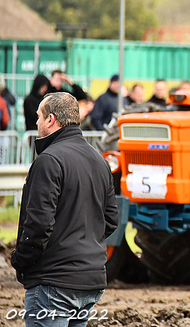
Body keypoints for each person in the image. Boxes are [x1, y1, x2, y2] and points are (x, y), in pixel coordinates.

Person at [11, 92, 118, 327]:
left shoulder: (49, 160)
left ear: (50, 120)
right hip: (90, 280)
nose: (36, 122)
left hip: (53, 282)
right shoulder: (99, 161)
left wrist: (20, 261)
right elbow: (110, 220)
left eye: (39, 117)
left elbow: (38, 225)